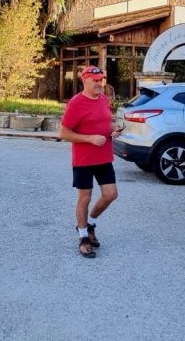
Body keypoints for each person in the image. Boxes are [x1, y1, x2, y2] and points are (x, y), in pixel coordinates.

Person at [59, 66, 120, 259]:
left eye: (101, 79)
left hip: (103, 157)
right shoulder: (76, 103)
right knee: (85, 197)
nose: (99, 83)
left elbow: (105, 122)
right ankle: (84, 238)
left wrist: (114, 130)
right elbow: (64, 133)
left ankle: (90, 224)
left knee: (111, 195)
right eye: (95, 80)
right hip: (84, 159)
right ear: (84, 81)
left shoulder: (103, 100)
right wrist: (90, 139)